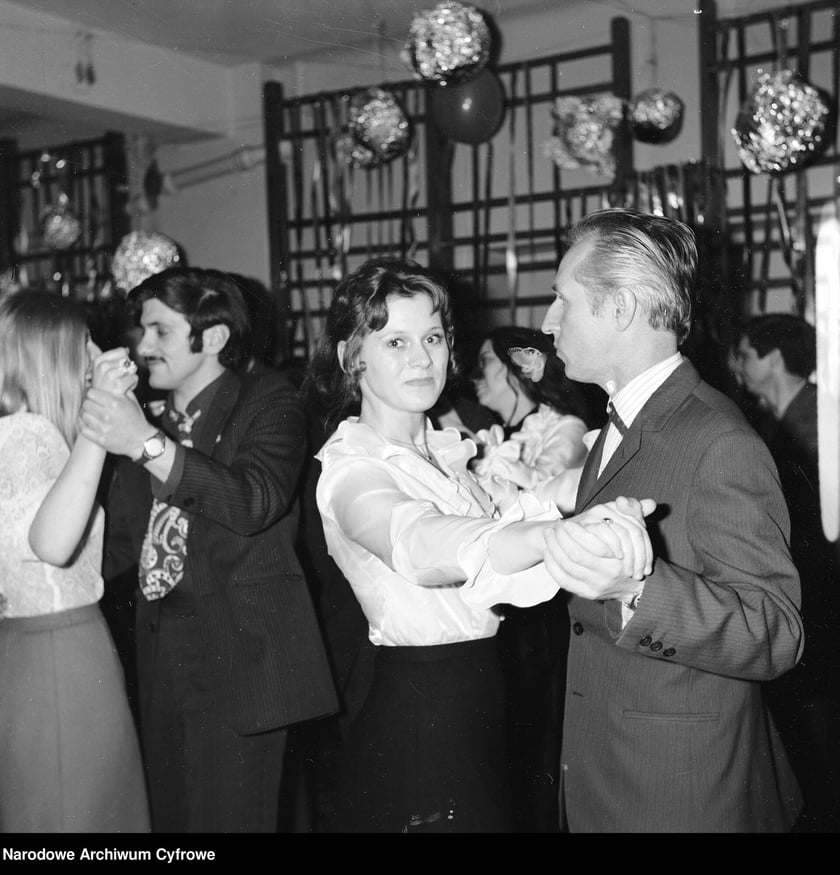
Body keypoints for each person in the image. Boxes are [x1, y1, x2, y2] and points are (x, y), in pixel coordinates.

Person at [306, 256, 656, 833]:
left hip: (478, 692)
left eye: (432, 337)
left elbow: (516, 506)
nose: (421, 358)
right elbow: (420, 543)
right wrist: (552, 535)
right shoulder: (353, 468)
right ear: (351, 358)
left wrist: (610, 478)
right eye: (395, 342)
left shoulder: (442, 454)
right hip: (421, 706)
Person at [540, 207, 805, 833]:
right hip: (616, 767)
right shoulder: (624, 419)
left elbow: (778, 631)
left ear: (621, 308)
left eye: (563, 299)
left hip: (679, 789)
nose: (549, 321)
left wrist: (637, 591)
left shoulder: (717, 440)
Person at [80, 267, 338, 833]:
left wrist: (145, 443)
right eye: (142, 330)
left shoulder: (271, 400)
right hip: (161, 653)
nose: (142, 346)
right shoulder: (151, 417)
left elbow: (253, 502)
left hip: (240, 655)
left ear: (215, 336)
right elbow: (120, 543)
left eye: (161, 331)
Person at [0, 289, 149, 833]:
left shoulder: (21, 433)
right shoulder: (28, 434)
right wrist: (97, 423)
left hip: (33, 647)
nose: (96, 353)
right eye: (84, 341)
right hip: (59, 650)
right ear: (51, 354)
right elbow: (54, 546)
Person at [469, 325, 602, 831]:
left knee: (536, 735)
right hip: (498, 605)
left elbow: (546, 500)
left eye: (486, 362)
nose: (475, 374)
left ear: (518, 368)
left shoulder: (562, 430)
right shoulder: (491, 437)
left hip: (540, 610)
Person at [735, 313, 840, 831]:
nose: (738, 366)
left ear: (773, 358)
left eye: (745, 355)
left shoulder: (820, 419)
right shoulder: (768, 422)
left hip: (822, 590)